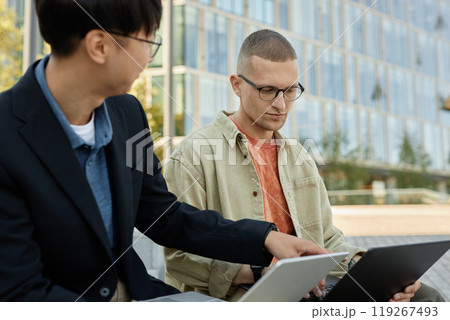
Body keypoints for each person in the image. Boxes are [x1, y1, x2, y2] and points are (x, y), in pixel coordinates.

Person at [0, 1, 328, 302]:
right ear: (99, 47)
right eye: (148, 42)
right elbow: (20, 294)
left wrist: (267, 239)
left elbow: (164, 215)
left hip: (138, 295)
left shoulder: (127, 115)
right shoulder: (7, 139)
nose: (150, 57)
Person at [163, 29, 444, 302]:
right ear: (236, 84)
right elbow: (178, 259)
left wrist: (369, 266)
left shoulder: (299, 157)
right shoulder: (193, 154)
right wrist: (256, 273)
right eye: (268, 90)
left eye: (290, 90)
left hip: (309, 291)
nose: (281, 104)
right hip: (241, 296)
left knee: (426, 297)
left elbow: (326, 240)